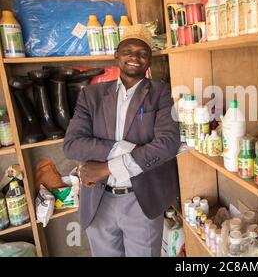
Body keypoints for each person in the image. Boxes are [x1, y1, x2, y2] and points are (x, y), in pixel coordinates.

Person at [63, 24, 180, 257]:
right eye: (128, 51)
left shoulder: (161, 92)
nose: (134, 57)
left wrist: (106, 167)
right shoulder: (91, 95)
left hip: (142, 199)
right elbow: (72, 143)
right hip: (99, 199)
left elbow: (167, 143)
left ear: (149, 60)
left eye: (142, 53)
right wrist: (125, 148)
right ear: (117, 55)